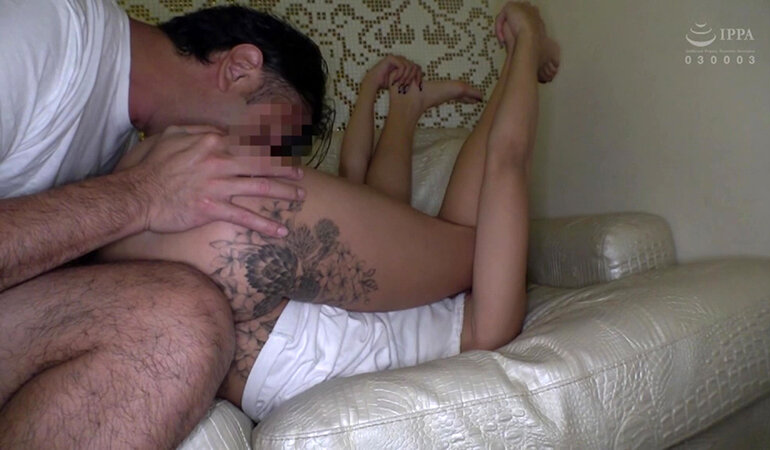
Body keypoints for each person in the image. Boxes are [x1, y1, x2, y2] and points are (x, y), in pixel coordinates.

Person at [101, 1, 561, 422]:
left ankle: (516, 50)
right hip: (281, 346)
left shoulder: (469, 316)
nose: (276, 153)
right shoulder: (484, 328)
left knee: (480, 190)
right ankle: (522, 43)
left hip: (279, 336)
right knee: (484, 188)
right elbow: (495, 165)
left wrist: (371, 97)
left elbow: (371, 188)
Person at [0, 0, 324, 447]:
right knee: (174, 321)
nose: (263, 163)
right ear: (240, 68)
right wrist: (143, 194)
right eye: (273, 141)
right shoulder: (43, 27)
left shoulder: (120, 147)